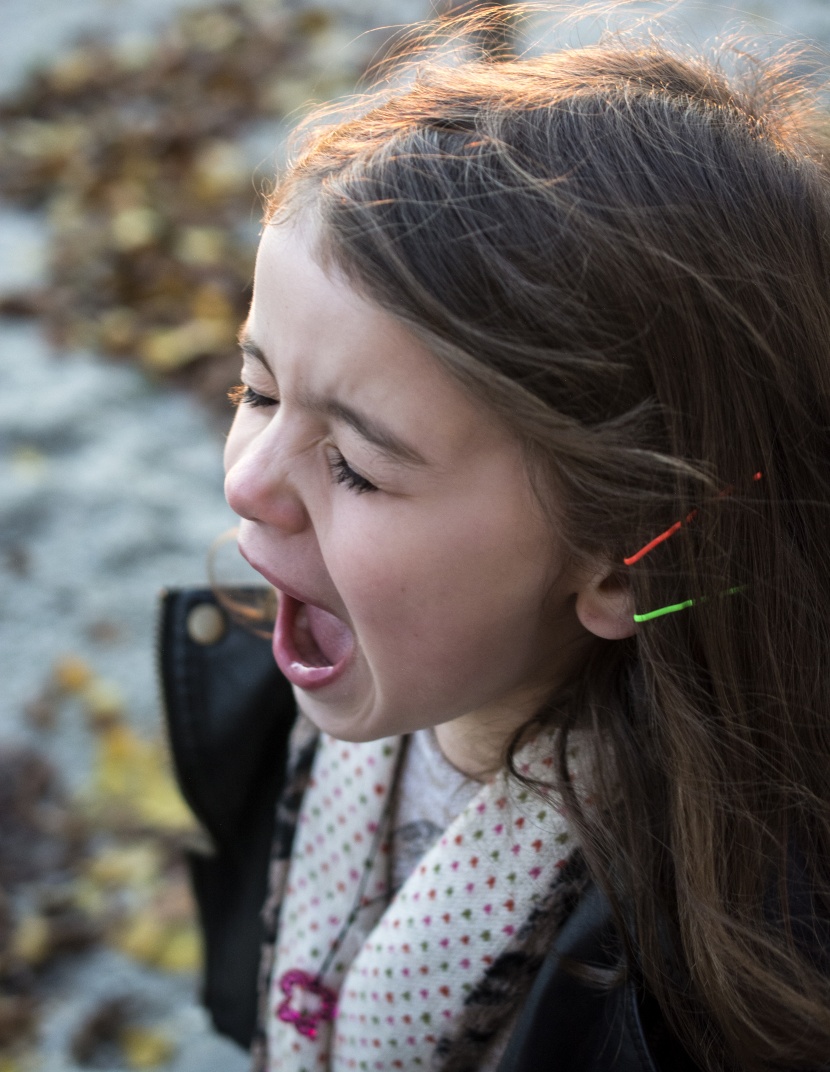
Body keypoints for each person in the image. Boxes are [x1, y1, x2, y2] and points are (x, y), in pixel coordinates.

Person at [160, 9, 830, 1071]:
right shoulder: (268, 695)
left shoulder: (716, 999)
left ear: (622, 557)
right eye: (254, 387)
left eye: (354, 466)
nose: (244, 482)